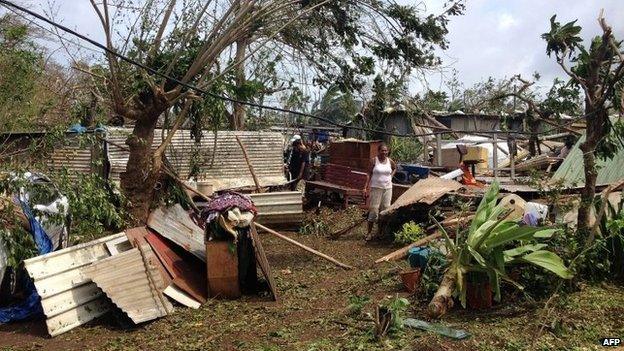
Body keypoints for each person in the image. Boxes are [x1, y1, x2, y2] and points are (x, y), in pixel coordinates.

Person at [365, 143, 396, 241]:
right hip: (376, 188)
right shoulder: (374, 161)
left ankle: (380, 233)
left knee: (385, 210)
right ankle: (369, 233)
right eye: (382, 150)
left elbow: (395, 168)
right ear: (378, 151)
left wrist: (391, 177)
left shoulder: (390, 161)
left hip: (388, 188)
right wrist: (365, 187)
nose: (384, 152)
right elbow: (368, 174)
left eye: (386, 151)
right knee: (374, 210)